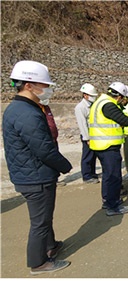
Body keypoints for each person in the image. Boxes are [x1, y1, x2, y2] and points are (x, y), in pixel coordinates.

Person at [3, 60, 72, 274]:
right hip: (35, 177)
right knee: (40, 221)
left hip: (32, 173)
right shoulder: (26, 113)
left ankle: (50, 246)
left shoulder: (21, 108)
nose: (46, 89)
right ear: (28, 85)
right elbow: (43, 149)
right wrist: (65, 165)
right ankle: (39, 262)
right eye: (43, 85)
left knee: (44, 216)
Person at [89, 82, 128, 216]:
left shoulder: (99, 101)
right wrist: (121, 108)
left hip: (101, 145)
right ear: (119, 96)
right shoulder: (109, 105)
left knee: (108, 176)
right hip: (108, 146)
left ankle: (107, 201)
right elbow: (126, 121)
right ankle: (113, 206)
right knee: (114, 176)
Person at [74, 83, 100, 184]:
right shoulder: (80, 107)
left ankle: (92, 173)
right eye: (92, 96)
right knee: (87, 156)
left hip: (95, 134)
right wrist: (87, 138)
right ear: (85, 95)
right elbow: (82, 124)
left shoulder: (92, 105)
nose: (94, 98)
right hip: (87, 135)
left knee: (93, 156)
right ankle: (86, 176)